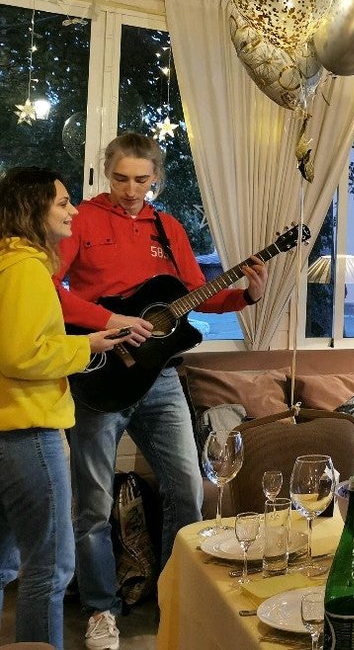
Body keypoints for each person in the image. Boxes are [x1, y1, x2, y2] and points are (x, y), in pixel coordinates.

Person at [55, 134, 267, 650]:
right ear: (107, 173)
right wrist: (111, 319)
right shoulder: (81, 219)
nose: (130, 190)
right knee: (93, 503)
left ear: (156, 178)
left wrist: (245, 295)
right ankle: (101, 609)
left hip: (162, 377)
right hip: (100, 371)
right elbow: (51, 289)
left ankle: (177, 593)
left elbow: (193, 293)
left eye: (141, 180)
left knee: (188, 486)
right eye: (120, 178)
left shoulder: (168, 228)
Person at [0, 167, 136, 648]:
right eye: (62, 202)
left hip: (10, 428)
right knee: (50, 568)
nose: (73, 210)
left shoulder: (8, 262)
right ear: (32, 208)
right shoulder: (25, 269)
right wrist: (88, 346)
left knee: (5, 563)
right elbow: (22, 355)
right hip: (28, 429)